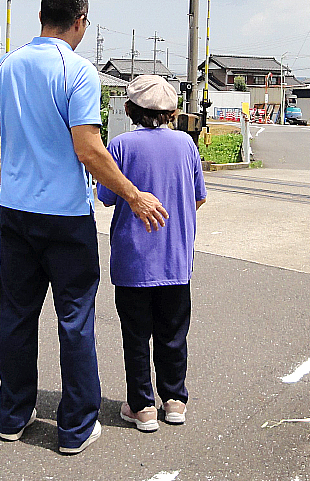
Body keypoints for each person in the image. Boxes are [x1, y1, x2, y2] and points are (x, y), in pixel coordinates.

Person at [0, 0, 169, 454]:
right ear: (81, 20)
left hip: (17, 214)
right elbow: (89, 149)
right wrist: (133, 195)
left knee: (17, 315)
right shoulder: (78, 72)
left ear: (41, 16)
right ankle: (75, 427)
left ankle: (13, 416)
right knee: (75, 319)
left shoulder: (5, 66)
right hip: (66, 218)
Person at [96, 75, 206, 432]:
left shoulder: (121, 145)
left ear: (128, 109)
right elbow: (198, 196)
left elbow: (106, 196)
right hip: (175, 260)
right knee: (173, 334)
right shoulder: (186, 146)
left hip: (132, 261)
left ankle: (142, 407)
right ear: (173, 113)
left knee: (136, 336)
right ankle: (174, 401)